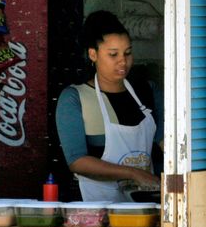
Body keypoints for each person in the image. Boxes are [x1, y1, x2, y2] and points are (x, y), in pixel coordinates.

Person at [55, 11, 161, 202]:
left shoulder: (147, 91)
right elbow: (77, 161)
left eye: (128, 53)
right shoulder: (75, 98)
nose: (123, 61)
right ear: (93, 54)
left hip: (145, 206)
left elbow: (168, 143)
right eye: (113, 54)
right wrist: (134, 174)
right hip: (96, 209)